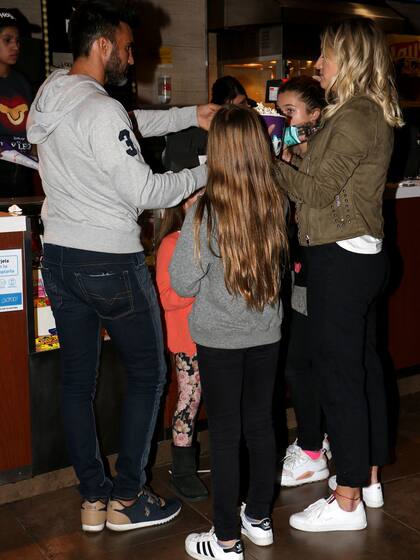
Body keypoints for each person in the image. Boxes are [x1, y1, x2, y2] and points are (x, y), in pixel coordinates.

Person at [27, 0, 218, 533]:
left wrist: (190, 115)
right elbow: (146, 190)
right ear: (104, 45)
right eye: (129, 48)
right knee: (149, 373)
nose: (133, 59)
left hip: (60, 259)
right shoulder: (101, 108)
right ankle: (130, 496)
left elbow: (124, 125)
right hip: (109, 260)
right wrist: (204, 170)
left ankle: (94, 499)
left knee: (75, 381)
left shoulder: (53, 94)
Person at [275, 17, 403, 532]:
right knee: (364, 369)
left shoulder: (354, 116)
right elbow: (325, 177)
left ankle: (346, 497)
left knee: (341, 377)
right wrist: (295, 153)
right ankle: (366, 479)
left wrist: (265, 158)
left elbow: (316, 192)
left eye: (326, 56)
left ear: (349, 59)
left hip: (341, 259)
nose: (318, 65)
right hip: (359, 256)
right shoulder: (356, 112)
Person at [170, 104, 289, 560]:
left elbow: (182, 281)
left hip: (219, 338)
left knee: (224, 433)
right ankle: (257, 518)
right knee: (261, 424)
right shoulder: (275, 201)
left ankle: (224, 540)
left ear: (217, 152)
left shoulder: (204, 212)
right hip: (266, 334)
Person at [275, 76, 332, 487]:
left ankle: (312, 446)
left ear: (315, 115)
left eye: (289, 113)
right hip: (302, 272)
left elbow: (314, 199)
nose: (282, 121)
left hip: (320, 271)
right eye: (278, 112)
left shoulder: (323, 160)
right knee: (303, 359)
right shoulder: (299, 156)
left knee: (302, 361)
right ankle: (318, 439)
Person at [155, 190, 208, 501]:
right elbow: (168, 298)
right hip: (188, 339)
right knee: (189, 401)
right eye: (195, 199)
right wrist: (203, 285)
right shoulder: (171, 244)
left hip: (217, 333)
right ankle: (183, 471)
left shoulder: (215, 237)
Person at [163, 75, 249, 172]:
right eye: (242, 104)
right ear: (225, 105)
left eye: (246, 102)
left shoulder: (242, 130)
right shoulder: (192, 137)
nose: (248, 107)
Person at [0, 9, 33, 197]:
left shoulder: (22, 82)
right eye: (7, 40)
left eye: (17, 41)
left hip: (22, 175)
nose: (15, 46)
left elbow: (32, 130)